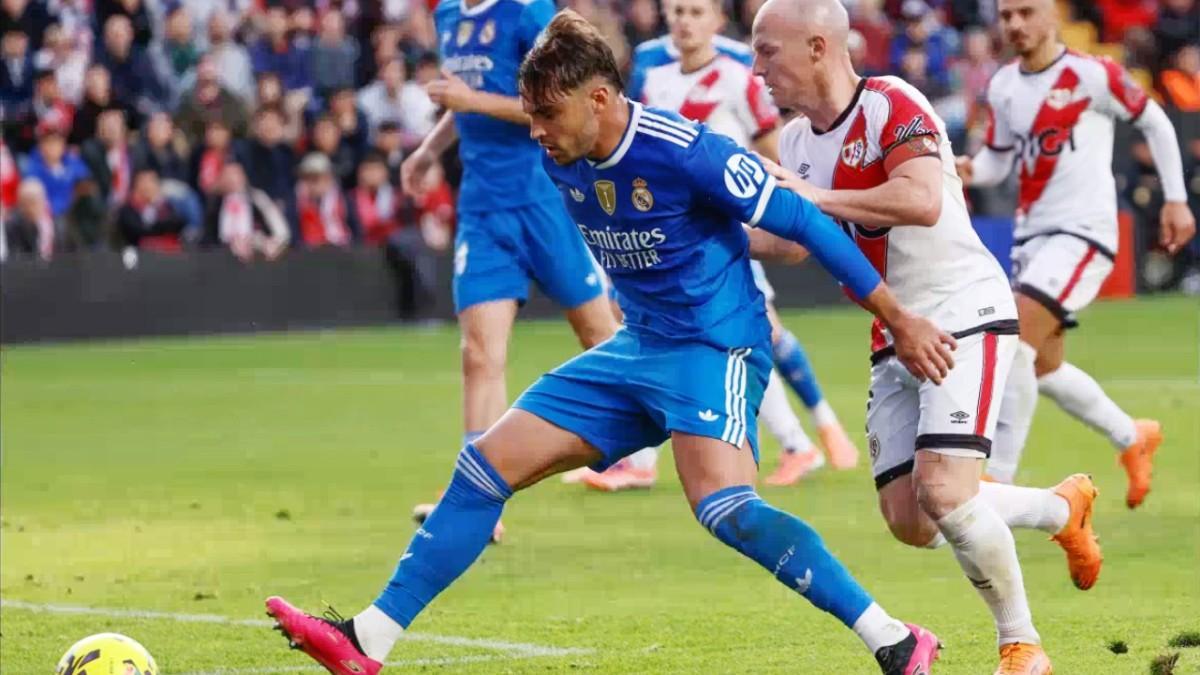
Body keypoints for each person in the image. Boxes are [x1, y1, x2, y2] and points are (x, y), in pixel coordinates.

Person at [264, 11, 950, 675]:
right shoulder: (563, 151)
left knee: (724, 508)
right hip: (635, 348)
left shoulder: (686, 151)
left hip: (714, 346)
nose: (534, 132)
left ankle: (894, 640)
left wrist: (896, 315)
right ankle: (366, 638)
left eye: (545, 115)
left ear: (598, 98)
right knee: (484, 464)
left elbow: (807, 223)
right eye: (529, 114)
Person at [751, 1, 1109, 672]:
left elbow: (922, 200)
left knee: (946, 491)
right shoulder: (798, 141)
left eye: (769, 51)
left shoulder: (892, 102)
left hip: (961, 309)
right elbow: (792, 242)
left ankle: (1021, 645)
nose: (759, 67)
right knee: (912, 520)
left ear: (819, 47)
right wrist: (705, 236)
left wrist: (813, 200)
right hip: (893, 330)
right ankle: (1061, 507)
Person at [591, 0, 859, 492]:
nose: (685, 22)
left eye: (695, 12)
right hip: (671, 229)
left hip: (725, 227)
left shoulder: (740, 73)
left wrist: (787, 203)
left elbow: (770, 145)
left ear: (717, 20)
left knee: (754, 332)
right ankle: (646, 460)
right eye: (676, 12)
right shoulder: (653, 73)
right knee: (670, 327)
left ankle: (806, 437)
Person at [398, 0, 631, 534]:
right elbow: (463, 107)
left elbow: (552, 105)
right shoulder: (450, 17)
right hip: (483, 208)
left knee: (598, 333)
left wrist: (468, 98)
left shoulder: (529, 13)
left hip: (541, 198)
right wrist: (429, 152)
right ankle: (474, 500)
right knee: (479, 354)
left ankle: (652, 436)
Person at [956, 0, 1195, 506]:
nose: (1015, 24)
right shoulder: (1003, 86)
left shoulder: (1093, 74)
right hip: (1032, 237)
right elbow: (999, 162)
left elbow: (1155, 122)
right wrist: (970, 170)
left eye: (1026, 12)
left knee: (1014, 340)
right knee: (1042, 366)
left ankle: (995, 483)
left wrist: (1175, 198)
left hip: (1084, 233)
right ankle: (1133, 436)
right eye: (1006, 16)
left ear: (1053, 17)